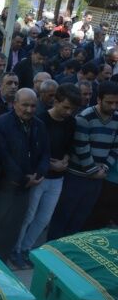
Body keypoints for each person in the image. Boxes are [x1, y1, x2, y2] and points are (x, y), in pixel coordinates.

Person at [0, 89, 49, 265]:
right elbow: (3, 156)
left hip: (22, 192)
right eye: (25, 105)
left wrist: (39, 173)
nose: (29, 109)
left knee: (10, 233)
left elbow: (45, 153)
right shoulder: (1, 123)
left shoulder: (39, 125)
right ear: (14, 104)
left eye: (33, 106)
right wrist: (23, 179)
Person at [12, 84, 80, 268]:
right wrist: (50, 164)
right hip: (39, 176)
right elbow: (34, 150)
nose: (68, 112)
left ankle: (26, 248)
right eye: (66, 107)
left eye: (72, 109)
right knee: (28, 216)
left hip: (58, 178)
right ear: (55, 101)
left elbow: (69, 146)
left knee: (44, 218)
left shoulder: (71, 122)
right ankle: (15, 249)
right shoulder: (41, 120)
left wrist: (65, 160)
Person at [48, 80, 118, 240]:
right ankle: (51, 249)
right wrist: (93, 170)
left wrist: (105, 168)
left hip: (98, 179)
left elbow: (115, 148)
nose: (113, 107)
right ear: (99, 99)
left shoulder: (116, 119)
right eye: (109, 102)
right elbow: (81, 146)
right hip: (76, 177)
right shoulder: (85, 117)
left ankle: (69, 250)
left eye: (116, 103)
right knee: (63, 217)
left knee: (80, 219)